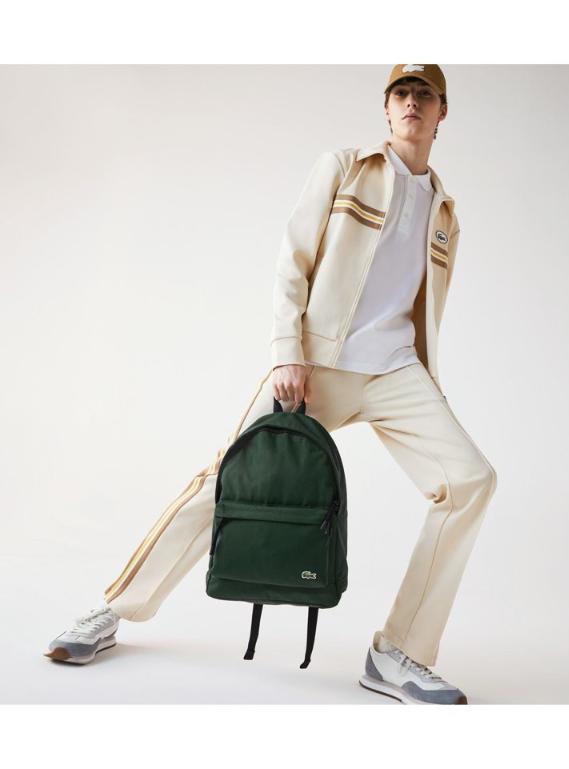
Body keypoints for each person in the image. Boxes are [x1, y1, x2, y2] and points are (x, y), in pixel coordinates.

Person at [44, 64, 497, 706]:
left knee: (471, 480)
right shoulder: (345, 168)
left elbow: (423, 305)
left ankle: (399, 653)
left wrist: (428, 381)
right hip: (318, 364)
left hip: (397, 372)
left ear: (442, 112)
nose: (412, 104)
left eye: (425, 95)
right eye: (402, 93)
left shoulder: (445, 211)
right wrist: (290, 350)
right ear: (386, 107)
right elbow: (295, 259)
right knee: (227, 479)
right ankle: (113, 609)